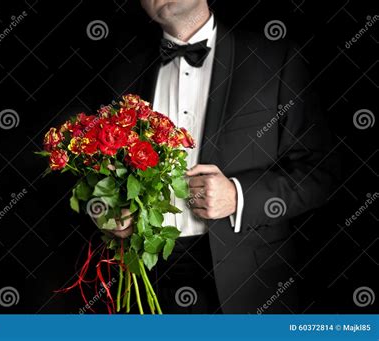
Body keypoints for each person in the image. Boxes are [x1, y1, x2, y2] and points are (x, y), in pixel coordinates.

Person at [102, 0, 338, 313]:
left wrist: (239, 197)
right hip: (148, 282)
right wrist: (107, 209)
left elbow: (323, 172)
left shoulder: (274, 57)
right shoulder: (123, 71)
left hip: (249, 283)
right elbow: (108, 172)